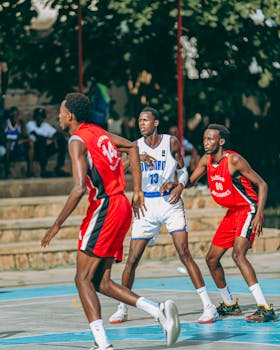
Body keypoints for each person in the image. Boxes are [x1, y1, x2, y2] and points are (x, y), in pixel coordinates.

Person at [41, 93, 181, 350]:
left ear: (70, 115)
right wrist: (137, 189)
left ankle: (103, 344)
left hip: (104, 206)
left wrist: (56, 224)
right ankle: (157, 311)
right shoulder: (98, 132)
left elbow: (79, 188)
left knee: (81, 279)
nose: (58, 116)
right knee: (100, 282)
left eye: (60, 111)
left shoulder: (76, 140)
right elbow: (132, 146)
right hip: (120, 206)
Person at [109, 107, 218, 325]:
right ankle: (122, 308)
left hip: (169, 202)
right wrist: (135, 157)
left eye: (146, 120)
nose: (141, 123)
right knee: (132, 260)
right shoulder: (134, 146)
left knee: (184, 253)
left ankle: (209, 306)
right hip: (146, 206)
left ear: (155, 123)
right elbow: (117, 171)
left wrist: (180, 184)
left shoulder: (171, 142)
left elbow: (183, 169)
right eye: (139, 120)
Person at [171, 123, 276, 323]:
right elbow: (191, 181)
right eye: (204, 139)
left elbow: (262, 184)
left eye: (210, 139)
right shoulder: (205, 160)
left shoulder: (234, 160)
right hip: (232, 213)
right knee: (211, 259)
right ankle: (229, 304)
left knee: (238, 254)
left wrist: (258, 214)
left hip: (248, 210)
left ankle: (264, 307)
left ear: (221, 141)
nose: (206, 142)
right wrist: (176, 184)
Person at [26, 107, 69, 178]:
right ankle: (43, 170)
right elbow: (36, 135)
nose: (40, 118)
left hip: (45, 150)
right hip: (35, 151)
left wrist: (54, 139)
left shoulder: (45, 125)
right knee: (42, 141)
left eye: (41, 117)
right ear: (35, 117)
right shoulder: (30, 124)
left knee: (62, 141)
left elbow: (58, 134)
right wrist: (49, 139)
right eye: (38, 116)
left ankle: (59, 167)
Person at [4, 106, 35, 178]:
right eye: (13, 115)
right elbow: (3, 137)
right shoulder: (5, 123)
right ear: (10, 116)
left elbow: (25, 136)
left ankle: (30, 171)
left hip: (17, 146)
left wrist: (20, 131)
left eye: (16, 115)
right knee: (7, 144)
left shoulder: (21, 123)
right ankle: (7, 171)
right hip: (8, 146)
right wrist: (16, 139)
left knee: (30, 143)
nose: (15, 117)